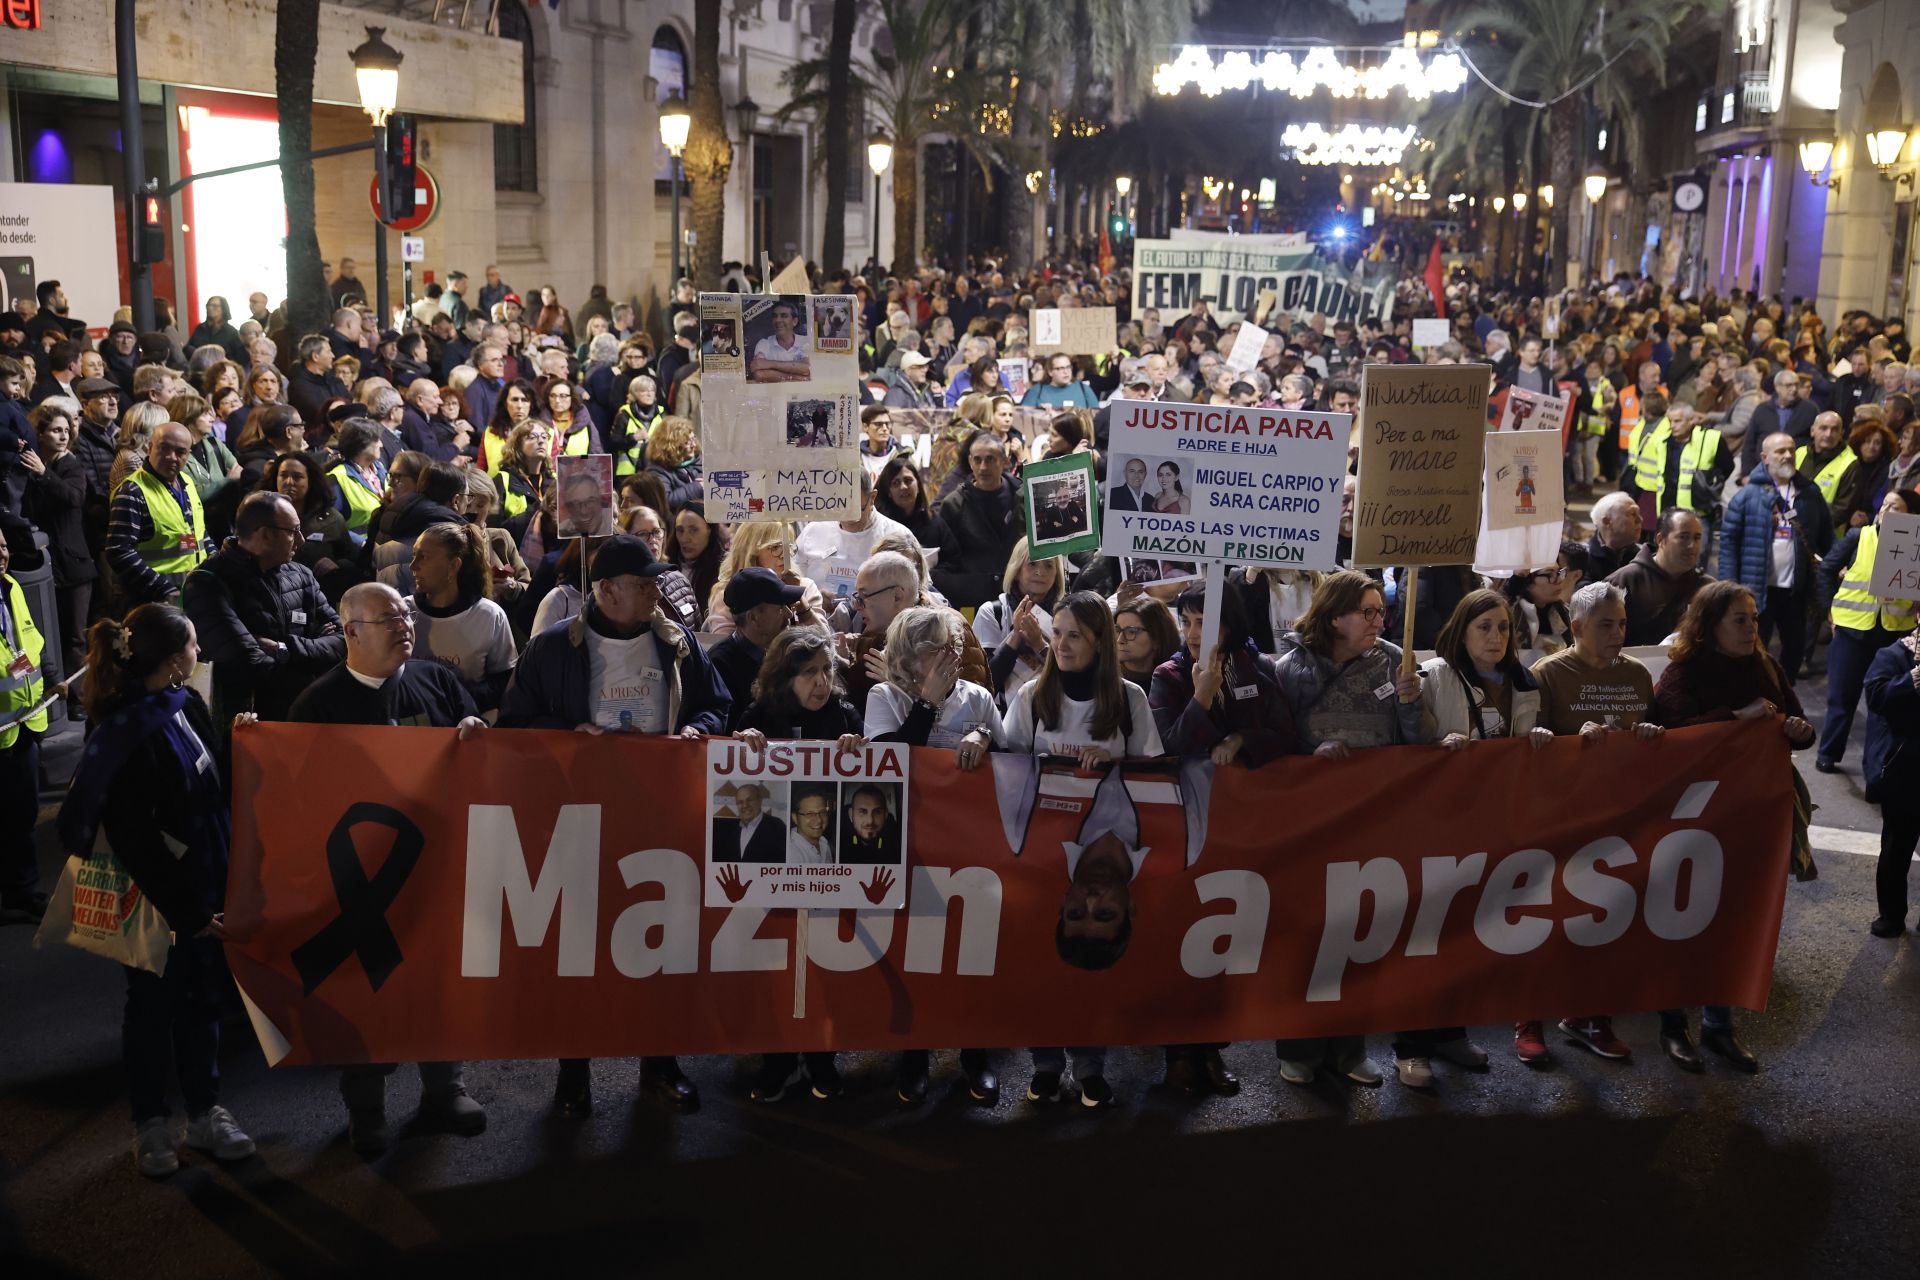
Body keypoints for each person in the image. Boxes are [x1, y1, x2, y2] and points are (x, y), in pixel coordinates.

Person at [497, 534, 726, 1119]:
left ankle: (660, 1065)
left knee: (662, 943)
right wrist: (566, 735)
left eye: (655, 583)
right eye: (643, 584)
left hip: (661, 817)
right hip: (580, 818)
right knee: (580, 949)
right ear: (605, 590)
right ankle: (574, 1073)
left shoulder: (676, 644)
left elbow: (715, 704)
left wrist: (699, 728)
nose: (656, 592)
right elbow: (516, 723)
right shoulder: (553, 648)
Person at [286, 583, 490, 1151]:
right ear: (350, 632)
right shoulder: (319, 705)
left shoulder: (437, 681)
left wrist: (476, 739)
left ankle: (445, 1088)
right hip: (361, 880)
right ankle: (367, 1107)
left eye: (405, 616)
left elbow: (480, 761)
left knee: (440, 981)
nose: (405, 626)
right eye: (387, 620)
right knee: (369, 989)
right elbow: (300, 797)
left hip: (440, 865)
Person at [55, 605, 257, 1177]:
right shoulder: (124, 730)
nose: (199, 655)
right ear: (173, 662)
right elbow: (135, 839)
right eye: (194, 646)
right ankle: (150, 1124)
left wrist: (241, 743)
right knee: (150, 1007)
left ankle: (206, 1111)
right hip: (155, 898)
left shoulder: (184, 702)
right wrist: (189, 911)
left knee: (203, 999)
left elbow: (209, 775)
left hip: (202, 886)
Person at [999, 592, 1163, 1108]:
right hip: (1041, 861)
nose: (1063, 645)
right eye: (1057, 634)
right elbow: (1006, 764)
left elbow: (1157, 774)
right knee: (1047, 972)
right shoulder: (1031, 696)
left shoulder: (1130, 699)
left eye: (1075, 636)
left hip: (1099, 850)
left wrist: (1114, 767)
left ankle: (1091, 1067)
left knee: (1090, 977)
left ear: (1100, 643)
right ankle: (1046, 1066)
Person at [1652, 581, 1816, 1072]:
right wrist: (1737, 718)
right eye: (1739, 620)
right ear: (1710, 626)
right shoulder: (1684, 672)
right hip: (1692, 818)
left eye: (1754, 620)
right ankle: (1673, 1026)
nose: (1751, 629)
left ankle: (1719, 1026)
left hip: (1747, 816)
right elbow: (1674, 736)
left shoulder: (1765, 665)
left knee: (1731, 921)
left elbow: (1798, 721)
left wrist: (1797, 730)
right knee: (1682, 921)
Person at [1270, 571, 1424, 1087]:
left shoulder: (1395, 665)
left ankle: (1349, 1048)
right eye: (1370, 612)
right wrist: (1308, 758)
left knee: (1359, 936)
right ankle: (1298, 1047)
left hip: (1369, 825)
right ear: (1336, 616)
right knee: (1306, 939)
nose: (1380, 621)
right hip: (1308, 828)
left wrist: (1409, 703)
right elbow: (1273, 744)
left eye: (1383, 612)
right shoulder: (1289, 669)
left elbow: (1411, 744)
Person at [1522, 581, 1666, 1063]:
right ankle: (1529, 1018)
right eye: (1606, 624)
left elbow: (1653, 747)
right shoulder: (1547, 674)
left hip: (1617, 821)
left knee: (1605, 922)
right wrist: (1568, 741)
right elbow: (1526, 748)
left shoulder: (1638, 676)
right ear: (1578, 628)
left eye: (1622, 623)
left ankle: (1590, 1018)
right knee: (1544, 921)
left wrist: (1646, 734)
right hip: (1558, 819)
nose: (1618, 633)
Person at [730, 626, 865, 1100]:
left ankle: (822, 1061)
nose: (821, 682)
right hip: (772, 880)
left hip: (826, 879)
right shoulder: (758, 716)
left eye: (827, 671)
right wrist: (740, 743)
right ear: (784, 677)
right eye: (809, 673)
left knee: (823, 972)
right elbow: (727, 781)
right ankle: (779, 1061)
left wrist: (857, 748)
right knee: (776, 970)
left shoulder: (844, 714)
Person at [182, 490, 345, 734]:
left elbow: (344, 642)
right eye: (293, 532)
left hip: (306, 718)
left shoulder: (300, 574)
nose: (301, 540)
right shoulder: (207, 583)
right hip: (248, 727)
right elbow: (247, 666)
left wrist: (284, 649)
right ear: (266, 534)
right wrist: (313, 651)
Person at [1815, 488, 1920, 771]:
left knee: (1885, 704)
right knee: (1842, 697)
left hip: (1894, 635)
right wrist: (1829, 610)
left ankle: (1877, 768)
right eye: (1884, 504)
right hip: (1852, 629)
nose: (1886, 510)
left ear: (1911, 517)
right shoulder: (1858, 537)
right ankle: (1828, 753)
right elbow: (1826, 570)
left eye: (1895, 507)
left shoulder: (1916, 548)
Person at [1719, 431, 1836, 682]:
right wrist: (1728, 587)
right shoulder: (1748, 495)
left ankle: (1786, 692)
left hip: (1795, 589)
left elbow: (1826, 536)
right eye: (1780, 451)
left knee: (1795, 647)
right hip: (1756, 589)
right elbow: (1728, 541)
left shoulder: (1809, 492)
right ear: (1764, 457)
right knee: (1752, 648)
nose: (1788, 456)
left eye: (1791, 450)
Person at [24, 399, 95, 702]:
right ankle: (49, 695)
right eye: (55, 430)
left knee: (75, 636)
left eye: (66, 430)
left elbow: (73, 498)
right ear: (40, 434)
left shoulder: (72, 465)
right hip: (42, 561)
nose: (63, 435)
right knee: (44, 632)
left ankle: (77, 699)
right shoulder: (28, 465)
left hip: (75, 565)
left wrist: (44, 474)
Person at [405, 521, 517, 714]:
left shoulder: (488, 616)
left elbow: (504, 682)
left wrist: (454, 699)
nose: (413, 566)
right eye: (414, 555)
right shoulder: (403, 611)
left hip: (471, 723)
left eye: (424, 557)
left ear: (453, 565)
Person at [0, 530, 51, 917]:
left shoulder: (12, 586)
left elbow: (30, 640)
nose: (2, 554)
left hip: (24, 723)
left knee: (21, 813)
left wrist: (48, 672)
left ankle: (22, 889)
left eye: (2, 546)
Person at [106, 421, 208, 607]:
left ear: (188, 455)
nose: (171, 457)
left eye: (180, 452)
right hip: (153, 600)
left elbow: (195, 535)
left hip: (190, 593)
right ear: (150, 447)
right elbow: (118, 551)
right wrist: (163, 589)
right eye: (164, 448)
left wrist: (214, 567)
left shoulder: (186, 482)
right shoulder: (133, 491)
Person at [1863, 632, 1920, 937]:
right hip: (1906, 768)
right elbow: (1875, 696)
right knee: (1897, 846)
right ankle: (1892, 915)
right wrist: (1912, 680)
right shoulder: (1894, 655)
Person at [935, 430, 1024, 610]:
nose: (983, 467)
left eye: (990, 459)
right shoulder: (954, 504)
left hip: (1018, 594)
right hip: (972, 600)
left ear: (1005, 461)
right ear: (970, 461)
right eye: (977, 460)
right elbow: (946, 561)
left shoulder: (1023, 496)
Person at [972, 538, 1065, 708]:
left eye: (1049, 566)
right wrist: (1015, 638)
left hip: (1053, 714)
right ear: (1016, 570)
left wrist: (1039, 645)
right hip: (1001, 718)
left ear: (1057, 574)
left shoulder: (1066, 616)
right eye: (1032, 564)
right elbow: (984, 683)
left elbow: (1072, 678)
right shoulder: (992, 612)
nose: (1040, 572)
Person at [709, 566, 806, 729]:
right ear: (753, 617)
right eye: (781, 608)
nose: (790, 614)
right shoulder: (720, 666)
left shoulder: (786, 654)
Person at [1606, 508, 1710, 646]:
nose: (1692, 545)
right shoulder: (1623, 582)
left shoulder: (1707, 588)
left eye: (1697, 538)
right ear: (1660, 539)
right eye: (1683, 537)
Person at [712, 782, 785, 861]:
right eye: (740, 802)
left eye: (749, 800)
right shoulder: (728, 830)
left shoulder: (777, 826)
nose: (745, 805)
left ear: (760, 801)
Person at [1585, 491, 1643, 583]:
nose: (1640, 519)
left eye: (1638, 513)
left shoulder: (1645, 556)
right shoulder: (1582, 558)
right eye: (1632, 514)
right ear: (1607, 521)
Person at [748, 300, 812, 383]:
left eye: (784, 316)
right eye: (775, 316)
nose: (778, 320)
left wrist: (770, 364)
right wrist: (798, 377)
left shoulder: (805, 342)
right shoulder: (764, 344)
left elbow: (808, 369)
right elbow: (760, 375)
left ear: (794, 321)